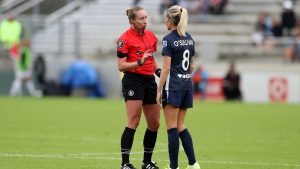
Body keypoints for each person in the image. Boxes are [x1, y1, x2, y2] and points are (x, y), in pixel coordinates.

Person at [116, 6, 161, 169]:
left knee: (154, 123)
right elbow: (121, 66)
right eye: (141, 18)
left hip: (149, 80)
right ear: (132, 21)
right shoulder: (124, 39)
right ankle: (125, 163)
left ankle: (147, 162)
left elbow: (151, 57)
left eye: (146, 18)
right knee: (134, 121)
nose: (145, 21)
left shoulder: (151, 36)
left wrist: (157, 70)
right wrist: (139, 63)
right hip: (133, 80)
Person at [156, 5, 200, 169]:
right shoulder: (189, 38)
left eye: (165, 19)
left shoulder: (169, 39)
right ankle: (193, 164)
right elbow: (192, 66)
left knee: (171, 127)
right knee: (181, 125)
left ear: (170, 20)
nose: (164, 22)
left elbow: (166, 68)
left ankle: (173, 167)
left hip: (173, 86)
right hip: (186, 85)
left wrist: (159, 89)